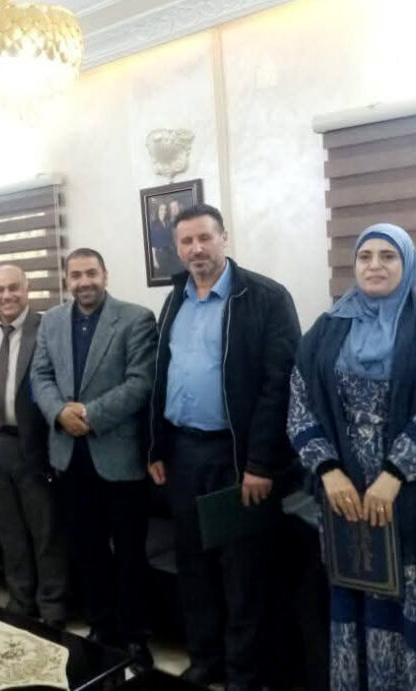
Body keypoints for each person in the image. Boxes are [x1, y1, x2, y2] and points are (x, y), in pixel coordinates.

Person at [288, 223, 416, 691]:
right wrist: (328, 471)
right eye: (365, 256)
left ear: (408, 264)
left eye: (388, 256)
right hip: (343, 507)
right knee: (352, 602)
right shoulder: (328, 328)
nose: (375, 266)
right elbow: (300, 403)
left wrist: (393, 475)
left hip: (410, 505)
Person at [147, 204, 301, 690]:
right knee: (193, 567)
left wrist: (261, 463)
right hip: (183, 453)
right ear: (177, 248)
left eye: (204, 238)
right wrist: (155, 447)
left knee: (242, 574)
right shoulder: (174, 299)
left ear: (224, 238)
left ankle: (243, 675)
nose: (196, 249)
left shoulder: (266, 298)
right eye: (186, 241)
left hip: (237, 459)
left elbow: (280, 386)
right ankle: (206, 661)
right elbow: (161, 377)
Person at [31, 247, 156, 671]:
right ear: (66, 279)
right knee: (87, 549)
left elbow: (141, 382)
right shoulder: (51, 321)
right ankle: (102, 628)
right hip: (69, 456)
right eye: (76, 275)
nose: (84, 282)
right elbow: (40, 376)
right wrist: (58, 412)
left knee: (130, 553)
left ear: (105, 275)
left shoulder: (136, 319)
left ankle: (135, 637)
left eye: (91, 273)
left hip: (118, 454)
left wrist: (89, 415)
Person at [0, 265, 68, 627]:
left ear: (27, 289)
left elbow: (59, 384)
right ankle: (20, 601)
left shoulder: (47, 328)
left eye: (13, 288)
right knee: (9, 531)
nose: (6, 295)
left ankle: (52, 606)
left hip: (34, 446)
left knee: (45, 532)